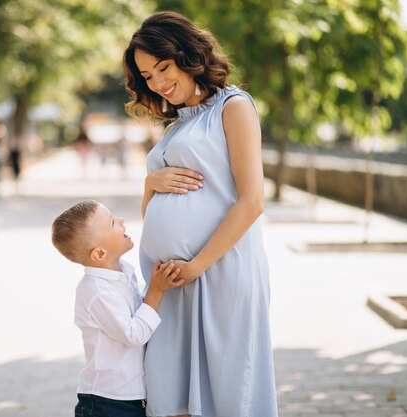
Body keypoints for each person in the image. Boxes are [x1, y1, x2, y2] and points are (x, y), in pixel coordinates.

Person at [123, 11, 277, 417]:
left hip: (221, 271)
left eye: (163, 67)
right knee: (169, 396)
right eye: (147, 76)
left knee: (227, 396)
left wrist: (197, 265)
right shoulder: (174, 127)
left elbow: (252, 201)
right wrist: (149, 184)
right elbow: (153, 212)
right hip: (171, 283)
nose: (157, 82)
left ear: (187, 55)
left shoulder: (234, 106)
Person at [51, 200, 185, 417]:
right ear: (99, 254)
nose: (122, 222)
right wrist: (157, 291)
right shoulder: (96, 290)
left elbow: (138, 311)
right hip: (107, 400)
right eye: (113, 223)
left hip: (130, 395)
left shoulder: (123, 272)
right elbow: (133, 334)